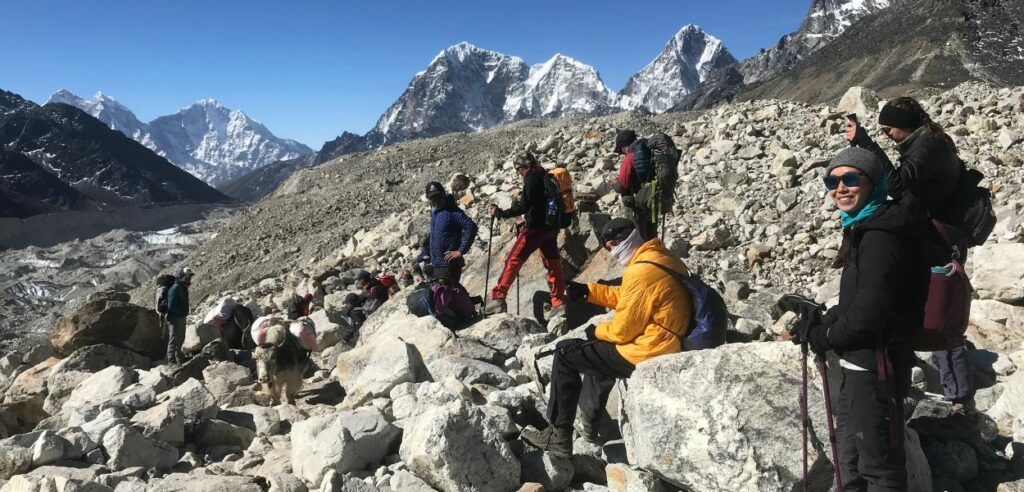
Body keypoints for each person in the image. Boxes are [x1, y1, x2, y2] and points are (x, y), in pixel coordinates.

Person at [792, 147, 931, 490]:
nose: (840, 187)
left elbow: (868, 316)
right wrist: (823, 322)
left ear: (874, 183)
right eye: (832, 180)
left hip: (875, 366)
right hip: (864, 365)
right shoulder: (868, 226)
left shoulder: (881, 236)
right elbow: (859, 300)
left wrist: (821, 338)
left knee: (878, 465)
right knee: (851, 458)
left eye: (850, 178)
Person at [519, 218, 692, 457]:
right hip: (669, 338)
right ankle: (590, 424)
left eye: (612, 246)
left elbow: (622, 331)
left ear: (623, 240)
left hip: (651, 348)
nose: (612, 253)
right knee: (595, 354)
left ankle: (558, 436)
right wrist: (590, 292)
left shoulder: (640, 271)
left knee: (566, 352)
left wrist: (595, 331)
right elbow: (630, 295)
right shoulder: (661, 256)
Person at [846, 98, 975, 407]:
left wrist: (866, 143)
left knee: (939, 309)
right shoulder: (928, 140)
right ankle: (941, 385)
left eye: (889, 129)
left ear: (905, 125)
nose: (887, 134)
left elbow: (899, 184)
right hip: (938, 232)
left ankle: (958, 397)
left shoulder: (927, 146)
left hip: (940, 238)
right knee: (929, 304)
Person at [485, 153, 567, 316]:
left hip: (535, 230)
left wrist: (501, 213)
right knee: (553, 262)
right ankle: (558, 302)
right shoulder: (544, 174)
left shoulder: (530, 178)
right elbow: (539, 203)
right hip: (551, 227)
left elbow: (524, 206)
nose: (519, 173)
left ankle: (498, 298)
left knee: (513, 259)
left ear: (524, 167)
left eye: (518, 170)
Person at [422, 181, 478, 285]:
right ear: (428, 199)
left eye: (439, 196)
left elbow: (471, 226)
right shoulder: (434, 212)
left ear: (444, 193)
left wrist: (460, 251)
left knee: (446, 296)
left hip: (449, 265)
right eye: (433, 198)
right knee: (445, 296)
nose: (437, 201)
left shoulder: (453, 211)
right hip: (437, 264)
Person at [610, 129, 657, 240]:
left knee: (638, 238)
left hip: (636, 205)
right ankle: (655, 254)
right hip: (653, 202)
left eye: (621, 150)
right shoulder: (649, 153)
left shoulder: (629, 158)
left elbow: (623, 186)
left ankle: (643, 256)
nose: (622, 153)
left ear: (624, 147)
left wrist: (614, 183)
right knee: (652, 236)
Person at [165, 267, 194, 365]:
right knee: (174, 339)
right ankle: (171, 360)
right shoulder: (175, 288)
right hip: (175, 317)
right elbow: (171, 306)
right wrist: (181, 312)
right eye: (187, 277)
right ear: (181, 276)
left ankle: (179, 358)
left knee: (181, 338)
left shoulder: (183, 287)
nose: (189, 279)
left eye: (189, 277)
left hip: (181, 316)